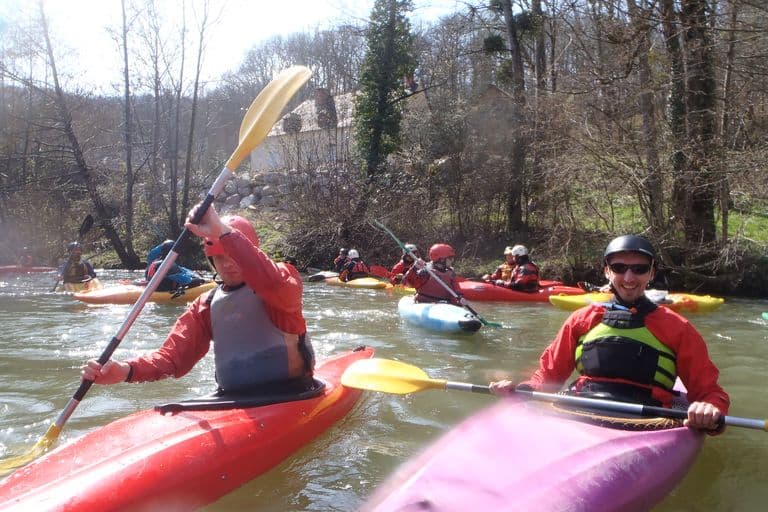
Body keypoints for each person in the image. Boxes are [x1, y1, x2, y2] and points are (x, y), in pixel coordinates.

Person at [489, 235, 729, 433]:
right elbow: (547, 376)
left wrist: (709, 409)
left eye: (639, 269)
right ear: (606, 271)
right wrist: (522, 389)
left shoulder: (677, 327)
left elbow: (710, 392)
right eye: (619, 268)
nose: (628, 278)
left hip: (648, 421)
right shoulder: (581, 319)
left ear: (652, 273)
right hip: (578, 411)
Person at [81, 204, 316, 395]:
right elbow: (173, 359)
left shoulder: (283, 279)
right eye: (219, 258)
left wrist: (224, 233)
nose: (228, 264)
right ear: (211, 262)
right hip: (231, 400)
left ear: (250, 251)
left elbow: (273, 284)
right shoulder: (205, 304)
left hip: (291, 392)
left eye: (233, 255)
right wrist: (126, 370)